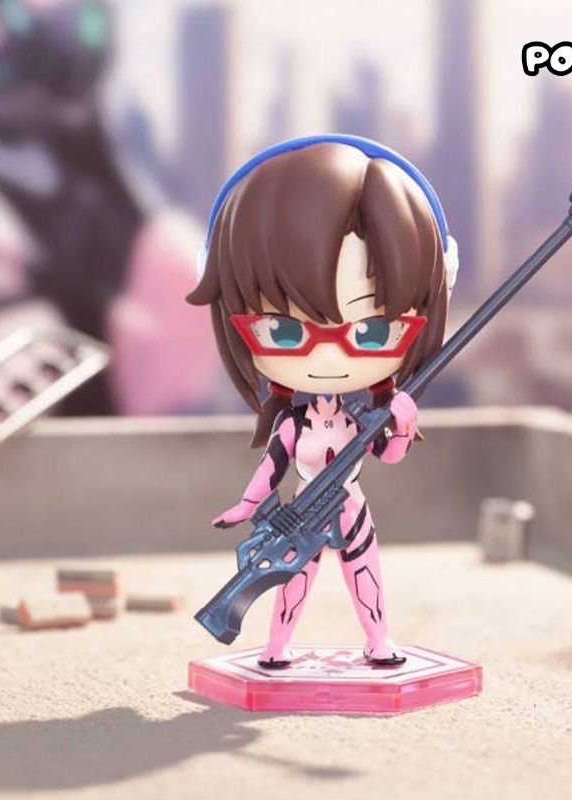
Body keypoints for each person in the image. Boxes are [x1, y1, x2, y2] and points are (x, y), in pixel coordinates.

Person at [187, 135, 457, 667]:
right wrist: (246, 507)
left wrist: (402, 425)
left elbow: (390, 455)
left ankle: (379, 642)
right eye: (284, 330)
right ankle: (276, 648)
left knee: (365, 575)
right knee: (293, 584)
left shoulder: (361, 422)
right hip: (300, 513)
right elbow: (270, 470)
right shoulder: (293, 426)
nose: (328, 357)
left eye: (372, 332)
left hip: (350, 507)